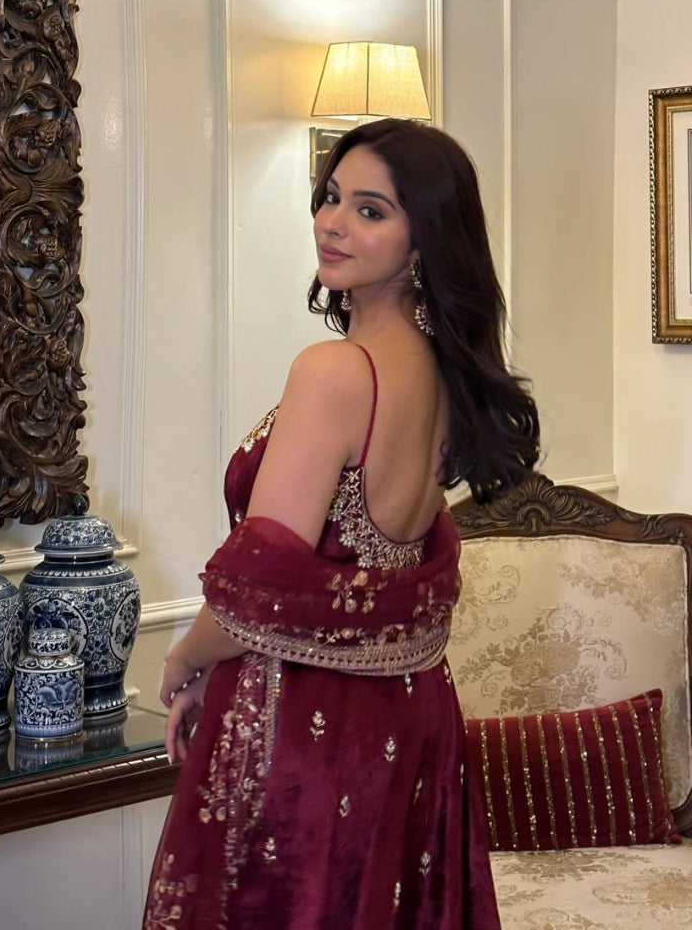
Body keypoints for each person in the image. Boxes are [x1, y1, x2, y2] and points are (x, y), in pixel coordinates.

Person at [142, 119, 539, 929]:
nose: (332, 223)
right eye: (330, 198)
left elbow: (259, 583)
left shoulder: (335, 371)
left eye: (369, 210)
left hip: (302, 725)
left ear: (424, 239)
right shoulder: (442, 370)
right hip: (408, 719)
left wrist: (185, 660)